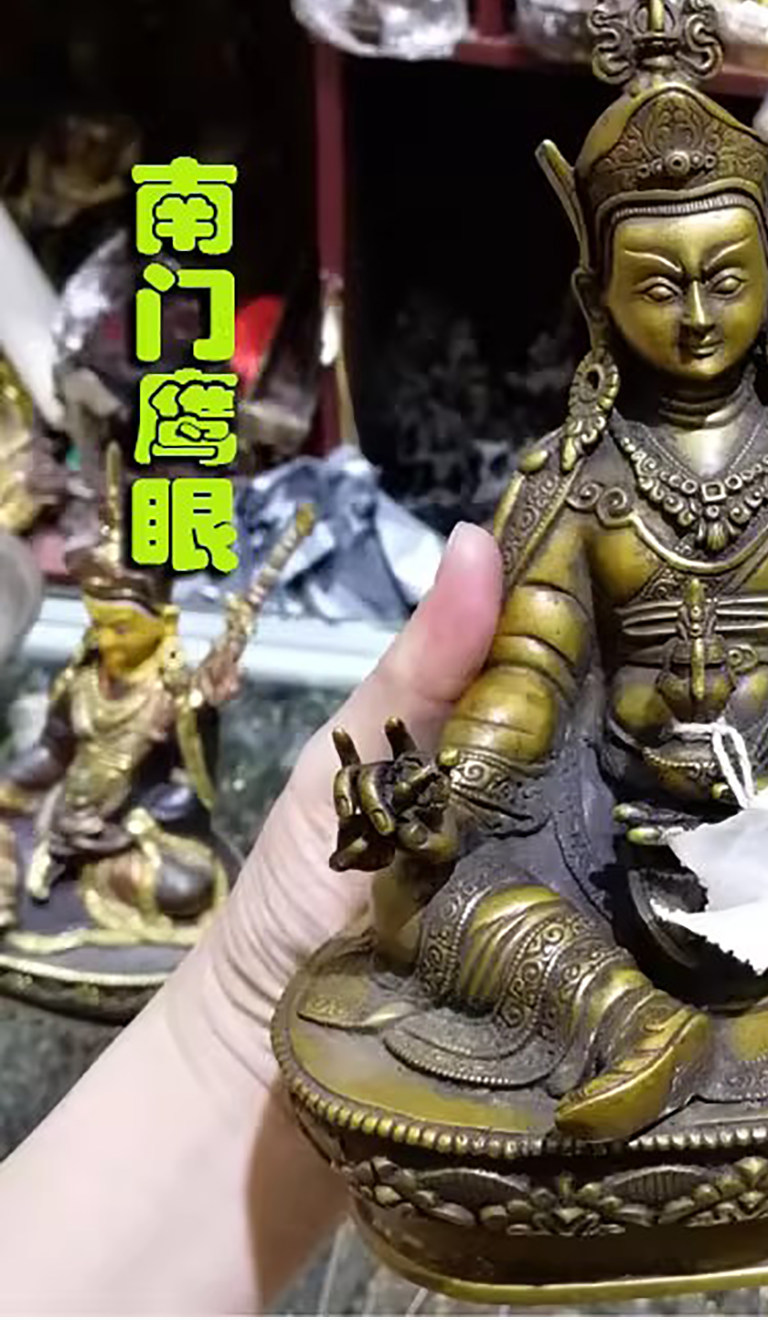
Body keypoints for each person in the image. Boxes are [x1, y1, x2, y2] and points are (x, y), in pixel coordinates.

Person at [0, 522, 503, 1316]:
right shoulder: (88, 683)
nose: (113, 632)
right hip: (78, 828)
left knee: (174, 880)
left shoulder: (164, 690)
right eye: (103, 618)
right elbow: (46, 757)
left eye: (124, 618)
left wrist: (239, 1021)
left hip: (142, 844)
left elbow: (180, 788)